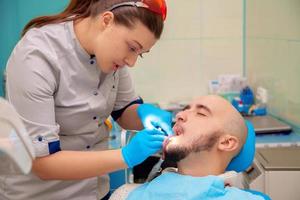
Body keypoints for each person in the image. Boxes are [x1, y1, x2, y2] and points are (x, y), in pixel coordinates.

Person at [1, 0, 173, 200]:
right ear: (107, 21)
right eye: (132, 48)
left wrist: (144, 114)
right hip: (40, 194)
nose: (131, 62)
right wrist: (126, 155)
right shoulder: (37, 56)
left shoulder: (111, 55)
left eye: (140, 54)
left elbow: (124, 110)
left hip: (93, 191)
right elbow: (43, 163)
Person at [110, 95, 264, 200]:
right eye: (185, 109)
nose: (180, 115)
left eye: (201, 114)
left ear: (226, 143)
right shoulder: (125, 195)